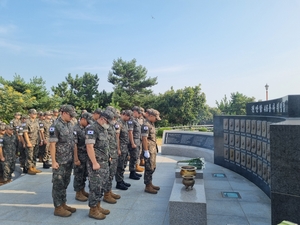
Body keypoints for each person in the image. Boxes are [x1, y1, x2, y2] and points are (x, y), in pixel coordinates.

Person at [49, 105, 77, 217]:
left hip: (68, 159)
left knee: (65, 183)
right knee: (58, 184)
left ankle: (63, 203)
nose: (72, 117)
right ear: (64, 113)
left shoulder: (70, 124)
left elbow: (73, 142)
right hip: (60, 161)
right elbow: (52, 144)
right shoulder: (55, 126)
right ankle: (58, 207)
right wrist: (54, 161)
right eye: (70, 115)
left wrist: (75, 158)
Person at [85, 110, 113, 220]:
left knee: (101, 186)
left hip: (104, 162)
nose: (109, 124)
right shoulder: (92, 128)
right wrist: (94, 162)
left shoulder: (103, 128)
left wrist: (109, 156)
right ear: (102, 119)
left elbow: (104, 145)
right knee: (95, 187)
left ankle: (98, 206)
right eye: (108, 121)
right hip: (96, 164)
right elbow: (89, 147)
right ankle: (93, 210)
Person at [102, 107, 120, 204]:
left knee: (111, 174)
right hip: (108, 155)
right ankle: (106, 194)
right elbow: (105, 142)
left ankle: (109, 191)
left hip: (113, 153)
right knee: (108, 175)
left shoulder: (111, 125)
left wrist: (117, 150)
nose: (114, 120)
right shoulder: (104, 126)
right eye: (113, 118)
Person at [141, 109, 161, 194]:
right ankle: (147, 186)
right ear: (151, 116)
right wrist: (146, 151)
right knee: (149, 168)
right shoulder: (146, 125)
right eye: (156, 118)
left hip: (153, 149)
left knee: (153, 167)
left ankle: (150, 183)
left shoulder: (151, 124)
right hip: (148, 149)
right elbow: (144, 139)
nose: (156, 120)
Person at [73, 112, 92, 202]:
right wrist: (76, 159)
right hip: (79, 156)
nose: (88, 124)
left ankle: (82, 190)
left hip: (85, 156)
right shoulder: (76, 129)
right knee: (78, 175)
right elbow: (74, 145)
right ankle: (78, 193)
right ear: (83, 119)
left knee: (84, 174)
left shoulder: (85, 128)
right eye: (87, 122)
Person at [115, 110, 132, 190]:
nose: (129, 118)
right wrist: (118, 149)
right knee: (120, 166)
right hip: (121, 148)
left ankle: (121, 180)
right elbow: (117, 137)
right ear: (124, 114)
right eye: (128, 116)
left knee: (124, 165)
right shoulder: (118, 123)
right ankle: (119, 182)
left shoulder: (125, 123)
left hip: (125, 147)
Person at [23, 109, 41, 175]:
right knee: (29, 155)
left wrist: (40, 140)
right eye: (33, 113)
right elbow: (25, 133)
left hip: (36, 140)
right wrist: (28, 142)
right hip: (30, 141)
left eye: (36, 114)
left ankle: (34, 167)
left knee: (34, 155)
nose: (35, 115)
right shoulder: (26, 122)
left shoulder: (37, 121)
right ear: (30, 114)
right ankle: (29, 168)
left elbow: (38, 131)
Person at [128, 106, 143, 180]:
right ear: (134, 112)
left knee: (136, 157)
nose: (139, 114)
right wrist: (132, 143)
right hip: (134, 141)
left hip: (138, 141)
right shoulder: (131, 120)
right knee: (133, 158)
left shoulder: (136, 120)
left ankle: (133, 171)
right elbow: (130, 132)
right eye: (138, 112)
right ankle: (132, 172)